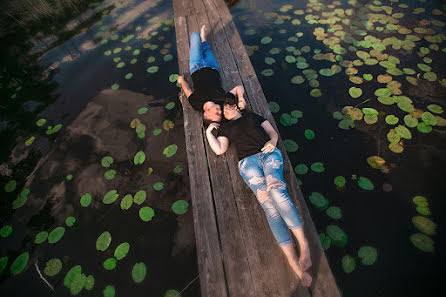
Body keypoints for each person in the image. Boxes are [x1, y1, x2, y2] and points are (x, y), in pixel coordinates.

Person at [205, 102, 313, 287]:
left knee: (276, 190)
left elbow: (272, 133)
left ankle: (304, 245)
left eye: (229, 106)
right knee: (269, 207)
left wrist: (272, 142)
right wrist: (209, 133)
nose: (226, 109)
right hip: (248, 165)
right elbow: (219, 149)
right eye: (223, 110)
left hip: (268, 154)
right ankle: (293, 263)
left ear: (237, 107)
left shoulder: (253, 117)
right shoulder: (226, 128)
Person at [177, 25, 246, 123]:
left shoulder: (197, 104)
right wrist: (240, 98)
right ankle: (204, 37)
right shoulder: (222, 101)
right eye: (220, 113)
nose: (220, 111)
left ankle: (199, 36)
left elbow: (187, 90)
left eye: (217, 113)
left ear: (206, 113)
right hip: (212, 66)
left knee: (195, 36)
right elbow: (239, 87)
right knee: (207, 49)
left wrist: (181, 81)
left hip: (196, 66)